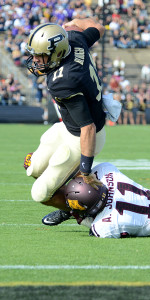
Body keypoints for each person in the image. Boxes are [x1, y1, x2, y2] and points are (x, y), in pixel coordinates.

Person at [24, 18, 121, 214]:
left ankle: (76, 210)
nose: (35, 61)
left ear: (57, 53)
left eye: (40, 56)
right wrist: (76, 21)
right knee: (32, 167)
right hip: (68, 126)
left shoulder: (64, 80)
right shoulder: (74, 40)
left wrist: (85, 171)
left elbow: (88, 128)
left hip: (82, 137)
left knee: (40, 193)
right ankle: (70, 191)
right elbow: (99, 27)